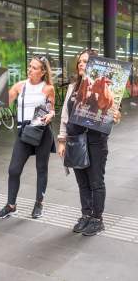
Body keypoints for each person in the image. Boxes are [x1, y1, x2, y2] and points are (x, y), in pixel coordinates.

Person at [58, 49, 121, 236]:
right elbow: (65, 116)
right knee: (82, 181)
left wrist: (115, 116)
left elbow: (112, 112)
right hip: (76, 139)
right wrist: (62, 140)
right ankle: (85, 215)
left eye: (85, 61)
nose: (81, 64)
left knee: (96, 181)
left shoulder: (103, 86)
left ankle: (97, 219)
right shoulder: (72, 87)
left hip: (96, 141)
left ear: (94, 65)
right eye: (79, 61)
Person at [0, 55, 55, 220]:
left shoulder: (48, 88)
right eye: (29, 66)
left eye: (34, 68)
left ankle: (39, 203)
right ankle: (11, 206)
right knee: (14, 170)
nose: (30, 70)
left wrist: (50, 115)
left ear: (42, 72)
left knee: (41, 169)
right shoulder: (20, 86)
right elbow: (2, 102)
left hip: (42, 132)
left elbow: (51, 109)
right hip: (24, 132)